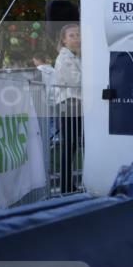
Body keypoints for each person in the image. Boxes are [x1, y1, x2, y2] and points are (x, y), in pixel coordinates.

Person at [54, 24, 83, 193]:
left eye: (78, 35)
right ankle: (66, 186)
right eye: (71, 35)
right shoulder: (64, 58)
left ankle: (68, 184)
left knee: (72, 145)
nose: (76, 38)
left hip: (75, 102)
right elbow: (75, 81)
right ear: (64, 40)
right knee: (69, 144)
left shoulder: (76, 57)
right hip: (69, 102)